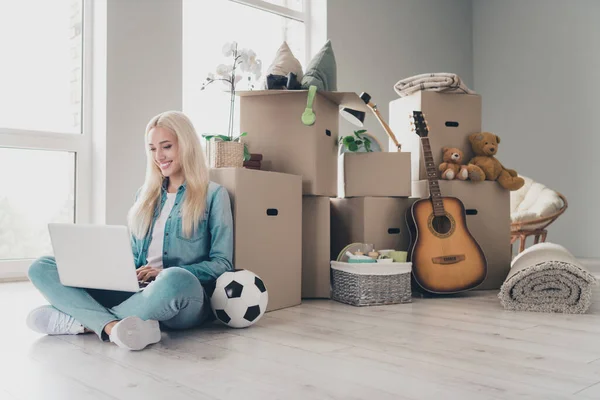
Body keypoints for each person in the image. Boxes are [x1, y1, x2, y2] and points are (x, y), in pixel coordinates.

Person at [26, 110, 234, 350]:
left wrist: (161, 272)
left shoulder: (213, 195)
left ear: (186, 146)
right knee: (41, 266)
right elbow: (136, 258)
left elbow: (222, 264)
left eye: (166, 146)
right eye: (153, 149)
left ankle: (83, 321)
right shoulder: (144, 196)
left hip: (180, 295)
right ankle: (114, 327)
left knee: (175, 279)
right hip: (138, 294)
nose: (159, 156)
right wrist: (113, 271)